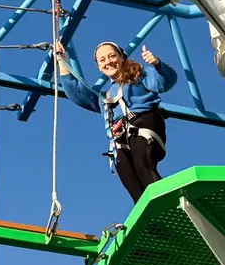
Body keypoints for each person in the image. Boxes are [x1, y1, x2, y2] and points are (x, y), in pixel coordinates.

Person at [55, 40, 178, 203]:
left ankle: (165, 205)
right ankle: (150, 220)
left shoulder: (139, 76)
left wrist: (156, 64)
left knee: (143, 165)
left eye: (112, 56)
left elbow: (164, 82)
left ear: (122, 58)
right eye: (102, 60)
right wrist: (62, 62)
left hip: (142, 123)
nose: (108, 62)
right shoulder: (105, 98)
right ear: (99, 67)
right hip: (120, 137)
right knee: (129, 178)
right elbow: (77, 93)